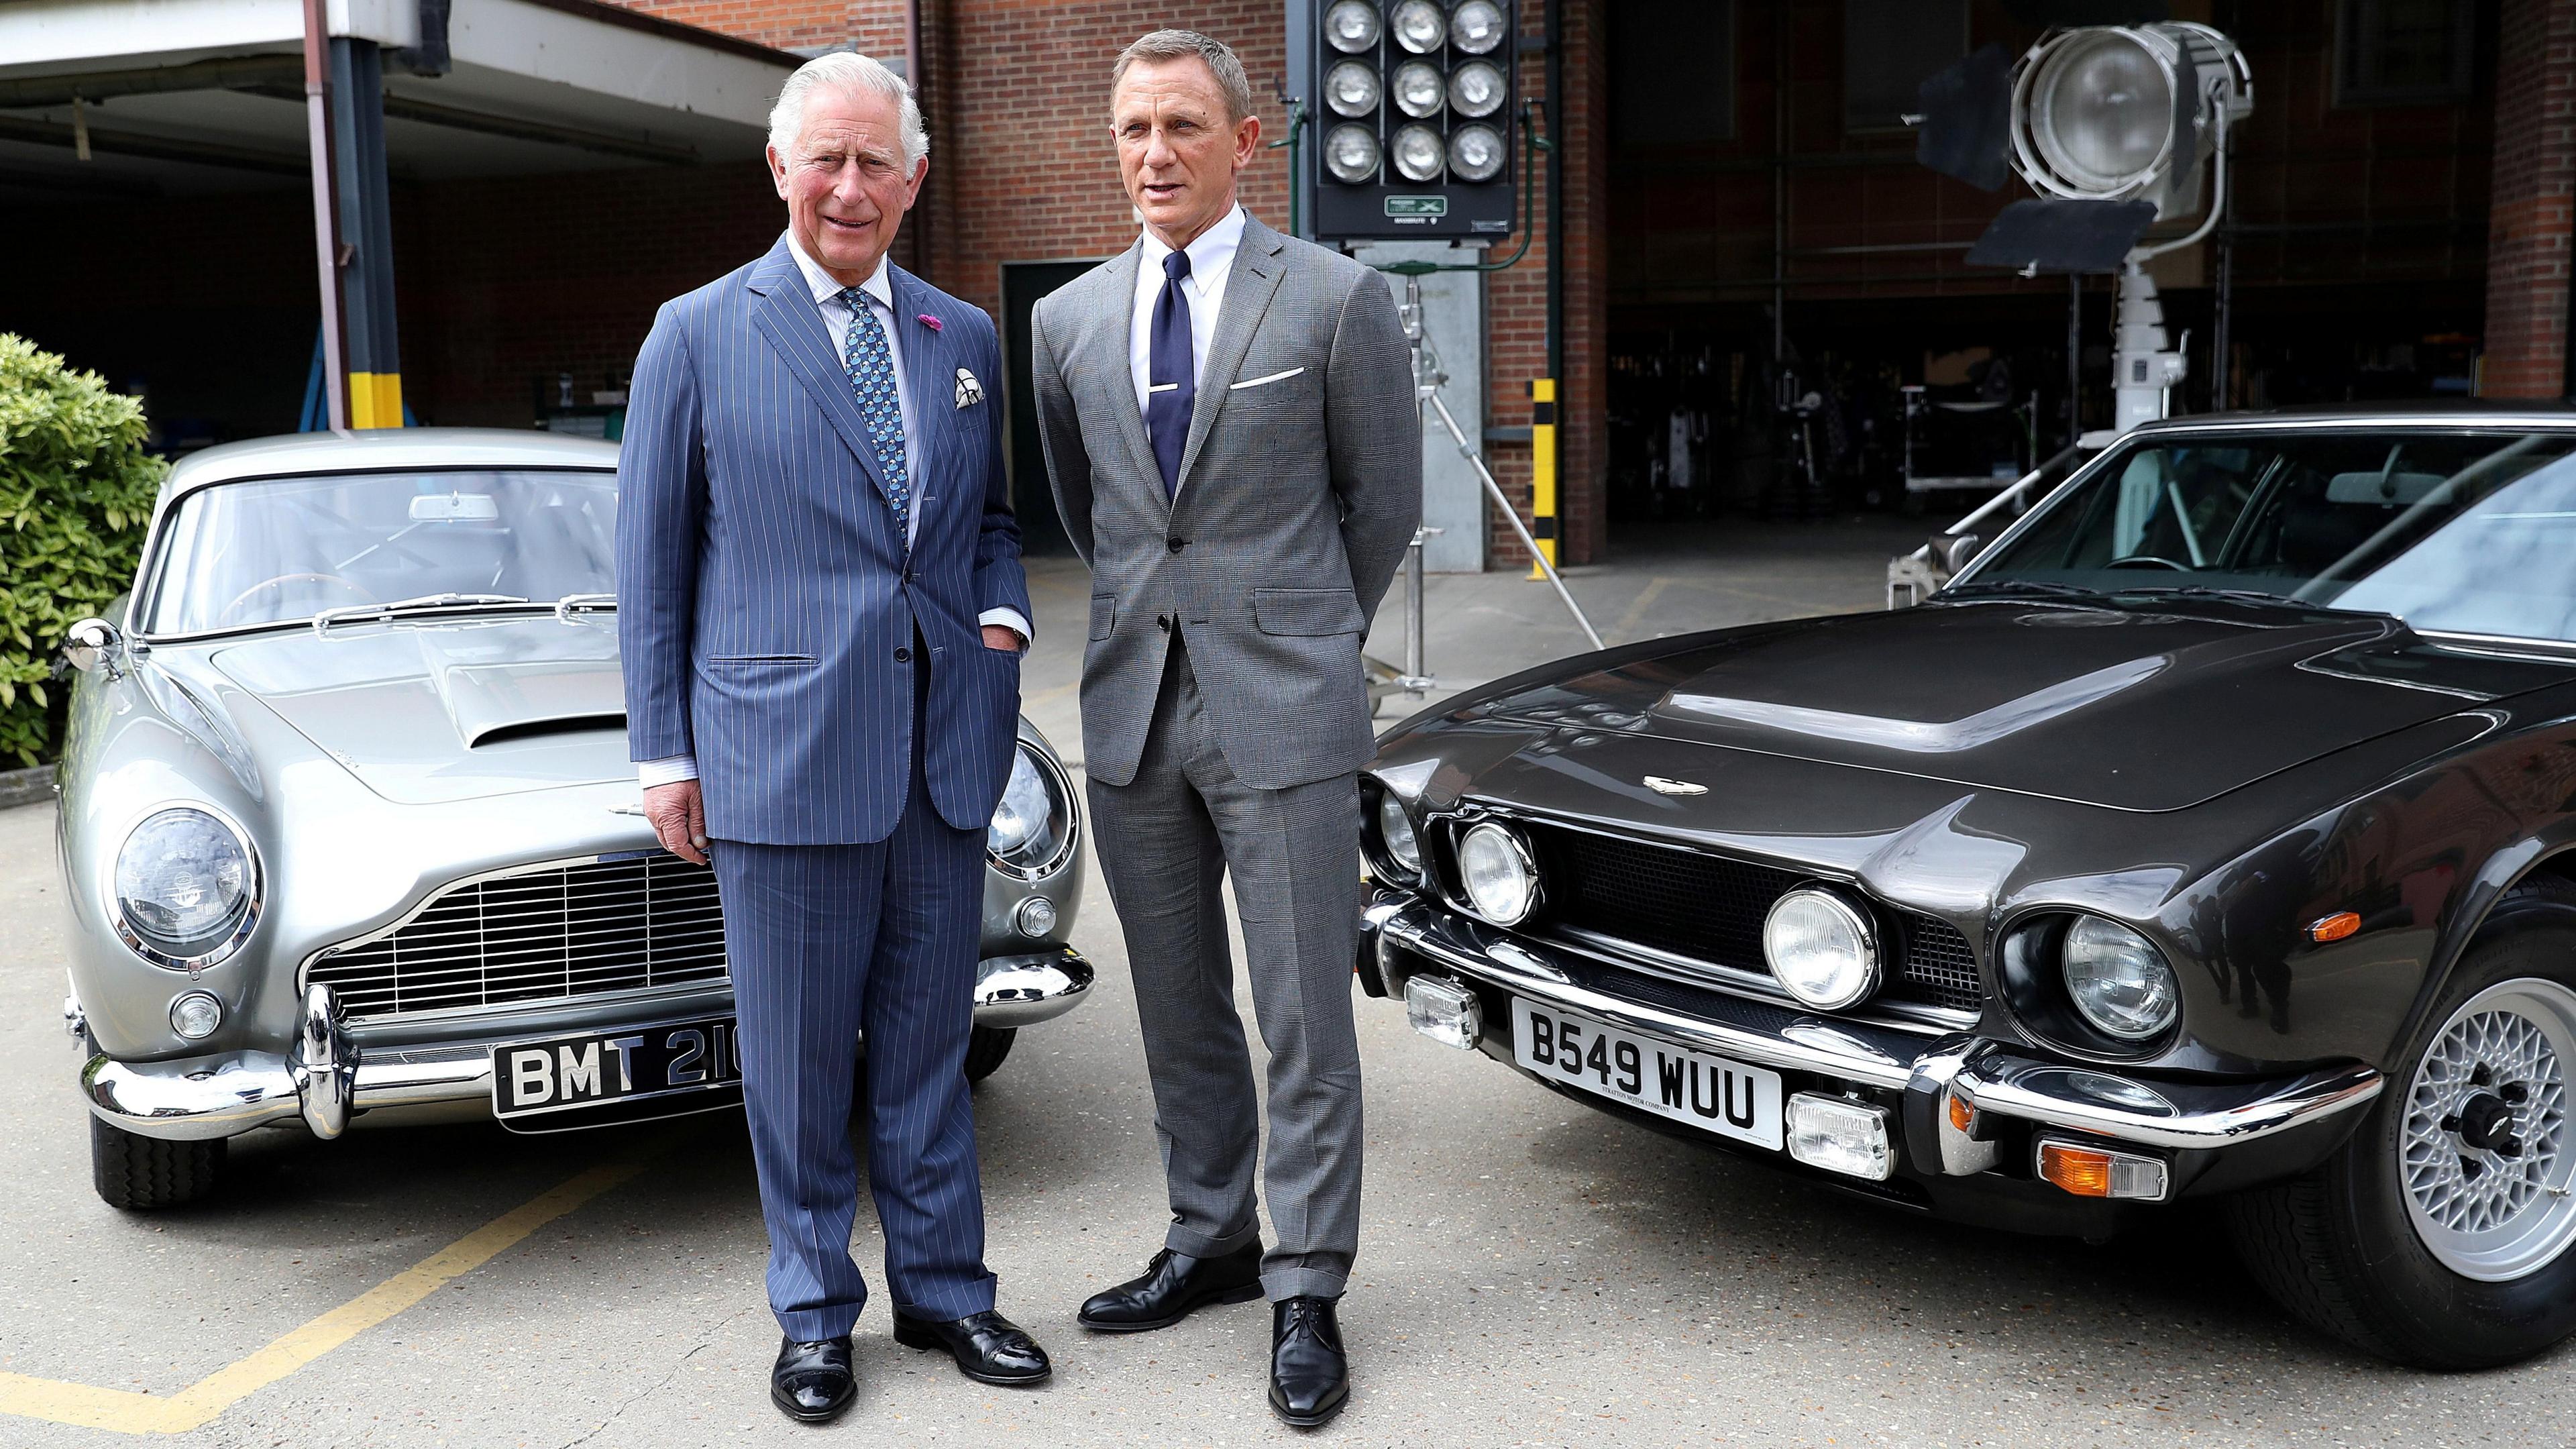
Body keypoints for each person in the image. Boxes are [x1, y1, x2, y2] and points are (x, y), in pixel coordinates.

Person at [616, 50, 1047, 1426]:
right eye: (827, 159)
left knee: (930, 1044)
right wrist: (663, 752)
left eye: (877, 162)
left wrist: (1000, 624)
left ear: (915, 178)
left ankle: (945, 1294)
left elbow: (985, 522)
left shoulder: (960, 337)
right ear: (779, 168)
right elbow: (653, 562)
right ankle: (813, 1314)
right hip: (778, 758)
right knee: (800, 1066)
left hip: (941, 748)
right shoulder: (695, 332)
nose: (850, 187)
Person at [1028, 28, 1420, 1430]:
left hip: (1288, 702)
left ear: (1248, 142)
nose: (1154, 155)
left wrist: (1303, 633)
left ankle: (1307, 1283)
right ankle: (1214, 1238)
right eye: (1134, 129)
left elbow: (1382, 507)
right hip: (1133, 707)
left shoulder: (1333, 298)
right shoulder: (1066, 322)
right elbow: (1094, 514)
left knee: (1306, 1011)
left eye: (1183, 127)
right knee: (1181, 1004)